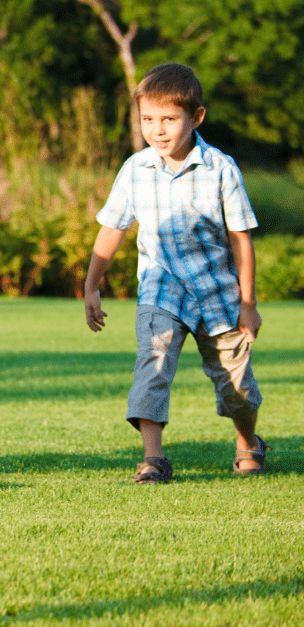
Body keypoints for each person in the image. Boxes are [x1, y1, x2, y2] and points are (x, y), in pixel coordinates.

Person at [84, 63, 268, 484]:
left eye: (169, 119)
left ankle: (248, 442)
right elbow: (112, 229)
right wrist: (91, 285)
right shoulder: (135, 169)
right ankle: (153, 459)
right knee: (153, 365)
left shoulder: (220, 168)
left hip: (218, 293)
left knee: (236, 387)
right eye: (148, 119)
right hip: (161, 288)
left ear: (196, 117)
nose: (158, 130)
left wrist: (248, 303)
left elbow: (241, 240)